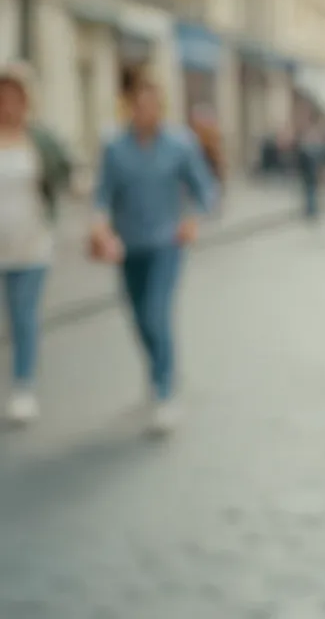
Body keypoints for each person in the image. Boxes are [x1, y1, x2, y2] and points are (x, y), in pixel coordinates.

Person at [90, 67, 217, 436]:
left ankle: (164, 391)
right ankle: (161, 368)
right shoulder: (115, 146)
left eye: (152, 105)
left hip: (166, 245)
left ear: (161, 107)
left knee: (156, 312)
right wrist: (99, 227)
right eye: (138, 105)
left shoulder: (180, 144)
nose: (145, 111)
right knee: (138, 317)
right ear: (129, 107)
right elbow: (102, 195)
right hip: (128, 247)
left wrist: (191, 218)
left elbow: (205, 190)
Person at [0, 63, 71, 425]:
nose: (8, 104)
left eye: (16, 97)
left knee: (23, 318)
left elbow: (66, 172)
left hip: (31, 244)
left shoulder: (39, 139)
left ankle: (23, 387)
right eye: (3, 97)